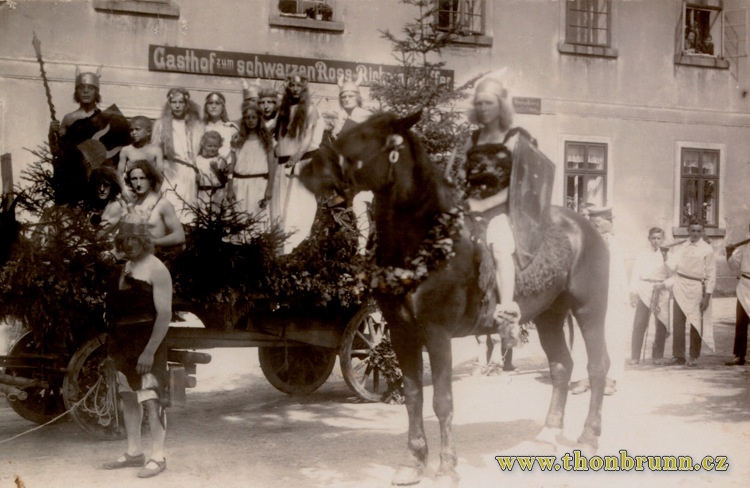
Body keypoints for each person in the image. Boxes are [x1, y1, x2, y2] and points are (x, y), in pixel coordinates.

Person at [462, 77, 524, 371]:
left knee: (500, 250)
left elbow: (516, 184)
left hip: (499, 210)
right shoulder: (472, 139)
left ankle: (508, 317)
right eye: (479, 103)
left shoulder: (512, 137)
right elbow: (462, 175)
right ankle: (476, 345)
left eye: (489, 103)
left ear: (500, 106)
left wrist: (485, 205)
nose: (483, 108)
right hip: (469, 210)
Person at [102, 214, 171, 478]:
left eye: (135, 238)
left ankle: (158, 456)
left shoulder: (157, 269)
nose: (129, 244)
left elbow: (164, 315)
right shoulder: (123, 268)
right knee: (128, 398)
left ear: (144, 240)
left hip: (146, 342)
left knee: (152, 399)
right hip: (122, 343)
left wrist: (149, 351)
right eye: (124, 238)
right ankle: (134, 452)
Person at [569, 205, 628, 395]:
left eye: (605, 221)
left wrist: (625, 297)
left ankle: (610, 379)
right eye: (603, 222)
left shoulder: (615, 243)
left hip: (612, 296)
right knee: (582, 335)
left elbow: (620, 274)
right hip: (589, 296)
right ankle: (582, 378)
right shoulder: (584, 242)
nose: (609, 225)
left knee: (613, 335)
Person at [48, 68, 129, 205]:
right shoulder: (69, 119)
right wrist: (51, 132)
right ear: (76, 93)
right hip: (75, 178)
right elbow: (57, 151)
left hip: (98, 180)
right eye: (81, 88)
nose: (85, 91)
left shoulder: (108, 120)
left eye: (90, 88)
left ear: (96, 92)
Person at [274, 74, 326, 254]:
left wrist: (296, 158)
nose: (295, 88)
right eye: (292, 85)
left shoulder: (311, 109)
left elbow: (308, 136)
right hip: (283, 164)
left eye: (299, 85)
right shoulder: (284, 110)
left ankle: (298, 249)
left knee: (300, 205)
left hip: (300, 162)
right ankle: (282, 251)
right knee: (281, 207)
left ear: (304, 88)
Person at [663, 217, 716, 367]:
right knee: (678, 322)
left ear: (702, 231)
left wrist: (707, 297)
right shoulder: (681, 247)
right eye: (692, 230)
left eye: (699, 231)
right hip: (680, 285)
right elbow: (672, 267)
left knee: (695, 323)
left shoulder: (707, 249)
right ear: (688, 231)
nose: (695, 234)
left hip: (696, 288)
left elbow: (711, 275)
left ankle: (693, 356)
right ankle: (678, 355)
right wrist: (665, 255)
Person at [151, 88, 204, 220]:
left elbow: (201, 150)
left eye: (181, 102)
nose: (178, 105)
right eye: (174, 102)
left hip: (189, 171)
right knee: (170, 203)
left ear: (187, 104)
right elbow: (154, 150)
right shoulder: (161, 124)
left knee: (187, 208)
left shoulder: (196, 125)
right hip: (169, 170)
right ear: (169, 104)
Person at [227, 101, 276, 223]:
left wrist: (269, 188)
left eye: (254, 117)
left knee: (258, 220)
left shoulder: (267, 140)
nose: (250, 120)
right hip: (240, 185)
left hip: (259, 184)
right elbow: (231, 165)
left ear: (259, 119)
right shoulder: (237, 139)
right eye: (247, 117)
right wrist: (230, 186)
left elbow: (272, 165)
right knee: (240, 220)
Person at [124, 160, 186, 254]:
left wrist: (153, 242)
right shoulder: (132, 204)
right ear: (129, 181)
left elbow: (180, 236)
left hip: (157, 255)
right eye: (134, 179)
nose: (139, 183)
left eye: (143, 178)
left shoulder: (162, 204)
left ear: (151, 179)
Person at [629, 227, 671, 364]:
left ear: (662, 239)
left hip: (661, 289)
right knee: (639, 324)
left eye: (659, 238)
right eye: (653, 238)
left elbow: (674, 276)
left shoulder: (668, 255)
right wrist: (634, 293)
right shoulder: (642, 255)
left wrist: (664, 284)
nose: (656, 241)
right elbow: (636, 274)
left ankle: (657, 356)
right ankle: (635, 356)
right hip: (645, 289)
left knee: (661, 324)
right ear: (649, 239)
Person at [118, 116, 163, 202]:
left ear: (148, 131)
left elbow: (160, 175)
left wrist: (155, 192)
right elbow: (119, 174)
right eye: (131, 130)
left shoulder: (156, 150)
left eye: (137, 129)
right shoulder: (126, 150)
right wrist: (124, 192)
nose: (134, 133)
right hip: (130, 190)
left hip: (150, 190)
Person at [725, 223, 750, 366]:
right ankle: (739, 355)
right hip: (745, 286)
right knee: (741, 322)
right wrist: (729, 253)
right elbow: (734, 266)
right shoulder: (744, 247)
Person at [87, 166, 127, 235]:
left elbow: (97, 235)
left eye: (106, 185)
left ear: (113, 186)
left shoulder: (115, 206)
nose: (102, 189)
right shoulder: (94, 204)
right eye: (98, 185)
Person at [195, 131, 229, 208]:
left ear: (219, 146)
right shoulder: (198, 159)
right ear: (203, 145)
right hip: (202, 194)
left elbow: (224, 180)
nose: (212, 149)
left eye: (215, 146)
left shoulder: (220, 160)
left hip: (217, 193)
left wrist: (216, 169)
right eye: (209, 146)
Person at [332, 74, 371, 139]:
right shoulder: (342, 116)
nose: (346, 99)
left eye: (351, 96)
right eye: (343, 97)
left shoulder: (365, 115)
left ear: (357, 98)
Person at [203, 92, 238, 158]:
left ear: (223, 107)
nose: (213, 106)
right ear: (206, 106)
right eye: (210, 103)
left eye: (217, 103)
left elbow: (236, 153)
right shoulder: (201, 127)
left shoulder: (231, 129)